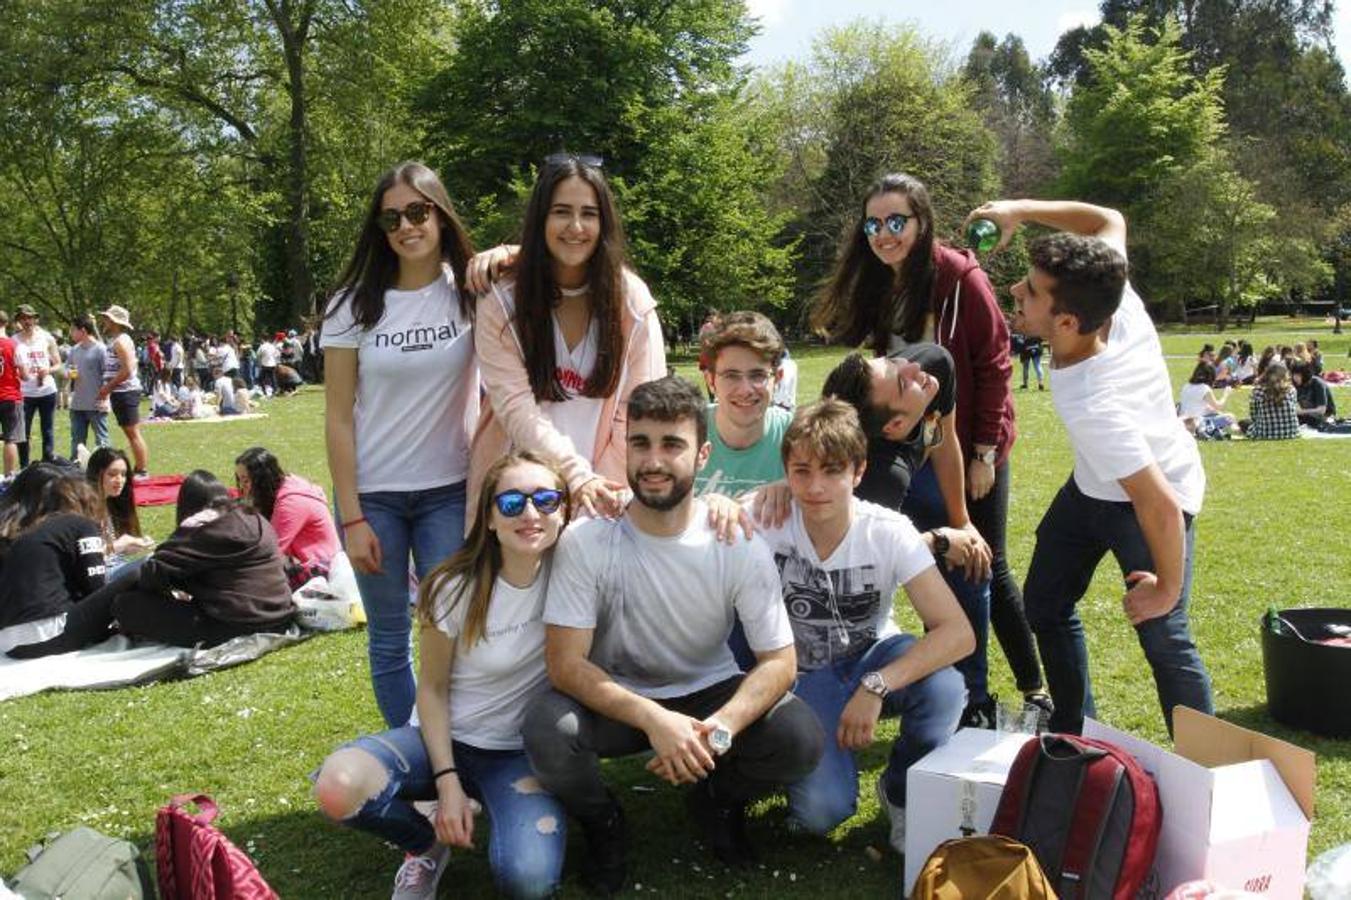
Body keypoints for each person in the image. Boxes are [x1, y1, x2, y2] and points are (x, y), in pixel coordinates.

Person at [521, 376, 824, 893]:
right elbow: (565, 664)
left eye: (672, 445)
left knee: (799, 738)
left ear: (702, 454)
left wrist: (717, 732)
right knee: (549, 729)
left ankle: (717, 799)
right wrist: (657, 721)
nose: (654, 461)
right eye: (640, 443)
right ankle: (603, 823)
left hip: (708, 692)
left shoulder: (736, 540)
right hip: (622, 698)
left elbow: (780, 661)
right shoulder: (587, 540)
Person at [970, 197, 1213, 736]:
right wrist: (1020, 210)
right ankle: (1078, 731)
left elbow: (1158, 505)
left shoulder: (1097, 404)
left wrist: (1165, 588)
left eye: (1030, 291)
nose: (1015, 291)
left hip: (1155, 492)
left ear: (1066, 320)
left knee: (1163, 633)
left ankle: (1209, 770)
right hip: (1092, 488)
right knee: (1046, 603)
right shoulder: (1111, 296)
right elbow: (1110, 222)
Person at [812, 172, 1043, 727]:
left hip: (967, 442)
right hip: (909, 440)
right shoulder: (879, 280)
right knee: (918, 557)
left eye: (897, 221)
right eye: (873, 224)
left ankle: (1025, 689)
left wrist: (984, 452)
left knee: (986, 564)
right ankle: (932, 683)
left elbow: (992, 366)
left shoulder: (960, 276)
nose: (884, 234)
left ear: (922, 221)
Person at [314, 452, 571, 900]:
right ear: (488, 518)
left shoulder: (575, 575)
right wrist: (447, 780)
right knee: (338, 786)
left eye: (547, 500)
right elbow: (430, 690)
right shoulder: (452, 586)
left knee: (528, 880)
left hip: (517, 755)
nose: (531, 514)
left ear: (564, 510)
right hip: (442, 740)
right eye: (512, 503)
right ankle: (424, 846)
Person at [754, 399, 972, 854]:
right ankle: (783, 762)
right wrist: (722, 501)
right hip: (800, 675)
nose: (815, 487)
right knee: (821, 814)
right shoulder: (766, 518)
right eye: (801, 471)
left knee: (944, 690)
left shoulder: (888, 530)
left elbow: (957, 632)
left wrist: (875, 686)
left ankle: (899, 790)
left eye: (832, 471)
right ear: (786, 472)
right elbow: (695, 518)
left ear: (858, 471)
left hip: (872, 656)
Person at [323, 160, 479, 729]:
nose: (406, 226)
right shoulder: (352, 303)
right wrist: (353, 517)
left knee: (448, 629)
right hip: (375, 498)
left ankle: (454, 749)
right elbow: (337, 417)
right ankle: (413, 759)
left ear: (440, 214)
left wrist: (504, 253)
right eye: (392, 218)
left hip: (448, 490)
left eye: (418, 212)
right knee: (389, 638)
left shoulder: (469, 293)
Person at [465, 154, 666, 521]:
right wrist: (573, 477)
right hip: (516, 503)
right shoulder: (501, 300)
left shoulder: (632, 304)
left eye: (588, 213)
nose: (576, 226)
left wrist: (594, 492)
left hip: (602, 502)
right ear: (541, 218)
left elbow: (639, 412)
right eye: (561, 211)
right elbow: (515, 408)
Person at [820, 345, 1008, 726]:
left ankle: (972, 704)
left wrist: (962, 523)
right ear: (894, 427)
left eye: (893, 362)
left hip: (902, 481)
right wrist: (940, 540)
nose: (912, 367)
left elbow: (946, 438)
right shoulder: (876, 479)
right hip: (837, 612)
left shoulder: (932, 363)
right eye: (903, 381)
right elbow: (862, 561)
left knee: (976, 564)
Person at [9, 470, 297, 657]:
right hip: (278, 613)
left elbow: (153, 572)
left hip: (236, 623)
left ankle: (70, 635)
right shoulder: (254, 519)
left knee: (127, 604)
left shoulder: (204, 526)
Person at [0, 464, 107, 655]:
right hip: (50, 631)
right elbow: (96, 588)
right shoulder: (78, 525)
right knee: (136, 573)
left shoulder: (16, 534)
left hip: (8, 641)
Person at [695, 311, 792, 498]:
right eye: (731, 375)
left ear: (777, 379)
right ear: (710, 380)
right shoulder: (686, 432)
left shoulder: (799, 438)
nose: (745, 389)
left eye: (758, 375)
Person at [235, 447, 340, 572]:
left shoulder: (291, 503)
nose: (241, 487)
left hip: (319, 569)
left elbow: (270, 550)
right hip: (301, 563)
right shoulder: (279, 490)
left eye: (246, 480)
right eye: (239, 480)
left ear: (261, 480)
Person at [96, 305, 149, 477]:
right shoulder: (119, 339)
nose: (104, 321)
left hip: (125, 391)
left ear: (114, 321)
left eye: (107, 319)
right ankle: (139, 468)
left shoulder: (120, 341)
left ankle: (141, 469)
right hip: (122, 391)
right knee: (131, 432)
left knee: (133, 433)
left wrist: (107, 388)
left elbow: (126, 369)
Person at [86, 447, 154, 566]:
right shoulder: (84, 509)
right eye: (112, 474)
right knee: (153, 564)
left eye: (123, 474)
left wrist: (129, 547)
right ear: (96, 474)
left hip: (118, 567)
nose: (120, 480)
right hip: (101, 575)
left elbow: (113, 551)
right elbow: (86, 557)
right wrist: (120, 545)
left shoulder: (111, 504)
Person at [14, 304, 61, 467]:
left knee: (47, 430)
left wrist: (48, 370)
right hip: (24, 393)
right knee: (23, 432)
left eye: (30, 317)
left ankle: (48, 465)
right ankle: (24, 467)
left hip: (47, 391)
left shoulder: (47, 337)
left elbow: (58, 364)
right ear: (18, 320)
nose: (27, 321)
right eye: (23, 318)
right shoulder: (14, 340)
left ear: (35, 319)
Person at [67, 316, 111, 457]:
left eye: (73, 330)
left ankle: (105, 469)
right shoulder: (74, 350)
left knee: (102, 442)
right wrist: (68, 373)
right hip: (77, 405)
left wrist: (106, 398)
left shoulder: (101, 350)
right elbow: (67, 368)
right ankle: (76, 471)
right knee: (77, 443)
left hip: (97, 404)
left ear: (83, 331)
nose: (71, 333)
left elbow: (108, 376)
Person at [1243, 361, 1302, 440]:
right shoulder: (1291, 390)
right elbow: (1293, 411)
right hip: (1292, 432)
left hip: (1265, 433)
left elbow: (1254, 416)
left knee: (1244, 423)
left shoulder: (1258, 391)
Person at [1178, 362, 1237, 438]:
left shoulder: (1186, 386)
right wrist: (1226, 394)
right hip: (1199, 422)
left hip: (1185, 421)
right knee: (1230, 417)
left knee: (1217, 413)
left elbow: (1196, 405)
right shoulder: (1205, 388)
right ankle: (1236, 430)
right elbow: (1218, 406)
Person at [0, 324, 28, 478]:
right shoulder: (15, 345)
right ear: (5, 324)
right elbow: (24, 374)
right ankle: (9, 477)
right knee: (10, 439)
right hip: (10, 396)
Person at [1291, 359, 1337, 428]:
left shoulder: (1318, 384)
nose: (1295, 378)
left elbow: (1321, 410)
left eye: (1298, 375)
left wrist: (1301, 412)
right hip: (1307, 415)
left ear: (1305, 374)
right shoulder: (1296, 385)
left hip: (1324, 417)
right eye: (1294, 375)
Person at [772, 346, 799, 412]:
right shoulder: (792, 364)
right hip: (788, 404)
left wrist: (777, 401)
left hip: (782, 405)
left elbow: (783, 384)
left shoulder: (783, 366)